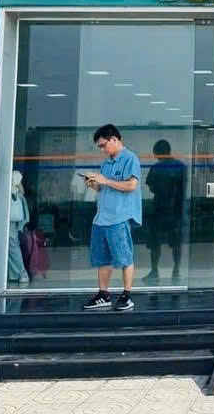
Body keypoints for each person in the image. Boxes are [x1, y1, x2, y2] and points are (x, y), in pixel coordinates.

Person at [81, 124, 142, 311]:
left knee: (125, 257)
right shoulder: (106, 163)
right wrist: (93, 183)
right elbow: (103, 187)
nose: (102, 149)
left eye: (103, 145)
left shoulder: (130, 159)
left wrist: (105, 180)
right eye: (99, 147)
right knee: (102, 259)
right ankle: (103, 294)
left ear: (114, 139)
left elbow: (132, 185)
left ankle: (126, 296)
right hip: (101, 218)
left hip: (119, 217)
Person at [143, 139, 186, 284]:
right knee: (176, 242)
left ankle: (154, 271)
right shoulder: (181, 166)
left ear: (157, 153)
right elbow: (183, 188)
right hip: (176, 209)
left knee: (155, 242)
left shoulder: (156, 168)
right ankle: (176, 270)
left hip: (159, 208)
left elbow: (151, 187)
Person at [7, 170, 31, 284]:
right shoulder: (18, 193)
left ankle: (22, 273)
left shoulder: (11, 192)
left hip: (10, 224)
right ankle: (15, 274)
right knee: (12, 248)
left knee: (12, 248)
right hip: (13, 224)